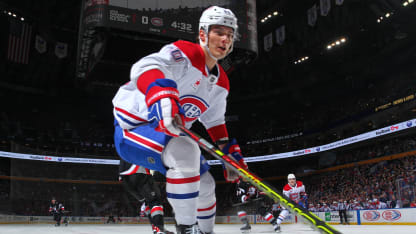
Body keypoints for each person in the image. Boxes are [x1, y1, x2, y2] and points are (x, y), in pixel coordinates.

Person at [112, 6, 246, 234]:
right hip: (134, 127)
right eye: (219, 32)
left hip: (170, 135)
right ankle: (186, 229)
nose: (225, 39)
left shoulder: (221, 82)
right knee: (187, 151)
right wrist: (161, 95)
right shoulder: (186, 53)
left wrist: (228, 153)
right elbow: (146, 67)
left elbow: (214, 121)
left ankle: (206, 232)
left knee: (206, 186)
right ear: (203, 34)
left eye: (230, 35)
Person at [119, 159, 173, 234]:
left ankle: (156, 229)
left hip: (126, 179)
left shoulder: (123, 150)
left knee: (147, 202)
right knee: (155, 202)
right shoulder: (138, 147)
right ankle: (159, 229)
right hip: (140, 172)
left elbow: (122, 177)